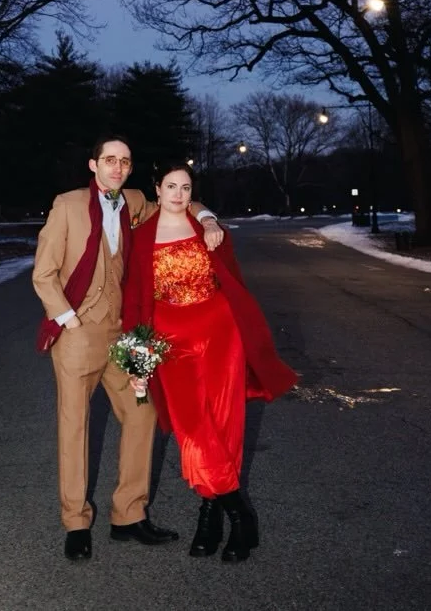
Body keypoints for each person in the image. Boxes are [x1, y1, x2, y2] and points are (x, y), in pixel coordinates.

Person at [32, 136, 224, 562]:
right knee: (74, 427)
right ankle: (76, 522)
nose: (117, 167)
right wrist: (67, 318)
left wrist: (208, 218)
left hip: (121, 334)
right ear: (94, 164)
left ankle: (128, 515)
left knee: (143, 414)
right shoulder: (67, 205)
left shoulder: (135, 201)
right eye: (109, 160)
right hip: (78, 333)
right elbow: (43, 273)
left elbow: (179, 201)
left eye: (124, 161)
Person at [121, 164, 298, 563]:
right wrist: (137, 362)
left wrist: (208, 218)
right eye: (171, 186)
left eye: (185, 188)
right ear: (157, 190)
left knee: (224, 422)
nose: (178, 194)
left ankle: (209, 514)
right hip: (171, 342)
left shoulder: (207, 229)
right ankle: (239, 513)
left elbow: (230, 276)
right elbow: (132, 303)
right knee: (193, 430)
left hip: (220, 332)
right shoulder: (141, 238)